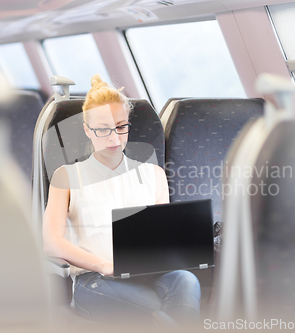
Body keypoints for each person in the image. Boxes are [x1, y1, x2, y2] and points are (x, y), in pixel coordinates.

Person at [42, 74, 201, 325]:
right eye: (103, 130)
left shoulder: (154, 175)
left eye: (120, 126)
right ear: (87, 130)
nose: (114, 138)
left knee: (185, 279)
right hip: (95, 280)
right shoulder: (67, 177)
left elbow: (163, 238)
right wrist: (104, 265)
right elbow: (52, 242)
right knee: (158, 307)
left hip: (146, 275)